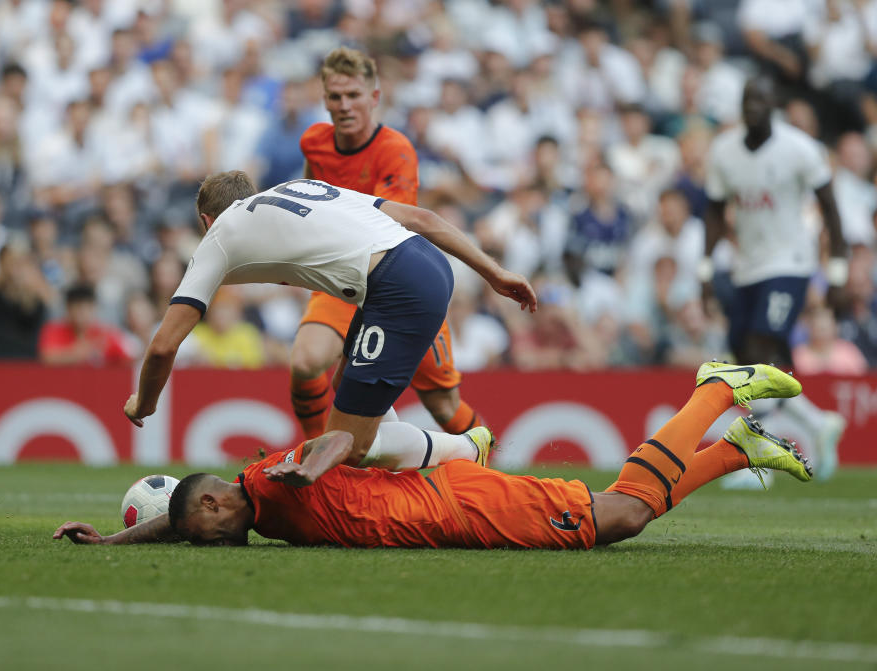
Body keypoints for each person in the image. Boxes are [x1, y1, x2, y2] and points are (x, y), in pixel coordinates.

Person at [55, 362, 812, 549]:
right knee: (623, 515)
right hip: (449, 500)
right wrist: (112, 541)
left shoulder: (267, 481)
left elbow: (335, 441)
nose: (209, 539)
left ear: (216, 504)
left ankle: (714, 395)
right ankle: (734, 452)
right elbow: (182, 512)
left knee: (622, 515)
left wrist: (313, 461)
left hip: (457, 503)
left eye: (199, 531)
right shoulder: (251, 502)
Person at [121, 170, 535, 472]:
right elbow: (423, 219)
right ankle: (389, 478)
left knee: (349, 445)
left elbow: (162, 345)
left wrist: (145, 402)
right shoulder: (304, 188)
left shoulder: (218, 237)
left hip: (398, 286)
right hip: (419, 264)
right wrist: (494, 272)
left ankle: (467, 449)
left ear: (205, 220)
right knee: (345, 395)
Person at [290, 47, 489, 441]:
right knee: (305, 363)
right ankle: (314, 457)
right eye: (335, 96)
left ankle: (497, 476)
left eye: (353, 95)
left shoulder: (395, 151)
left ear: (374, 98)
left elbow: (383, 228)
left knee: (444, 406)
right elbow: (310, 196)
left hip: (399, 286)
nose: (344, 105)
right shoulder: (314, 141)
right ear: (325, 99)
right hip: (342, 281)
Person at [703, 76, 848, 481]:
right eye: (748, 100)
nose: (753, 107)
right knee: (748, 358)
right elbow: (714, 211)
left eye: (760, 100)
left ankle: (752, 456)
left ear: (774, 105)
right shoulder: (724, 151)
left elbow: (831, 207)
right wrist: (704, 268)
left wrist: (835, 270)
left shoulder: (799, 149)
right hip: (746, 266)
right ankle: (818, 424)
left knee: (758, 343)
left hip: (791, 262)